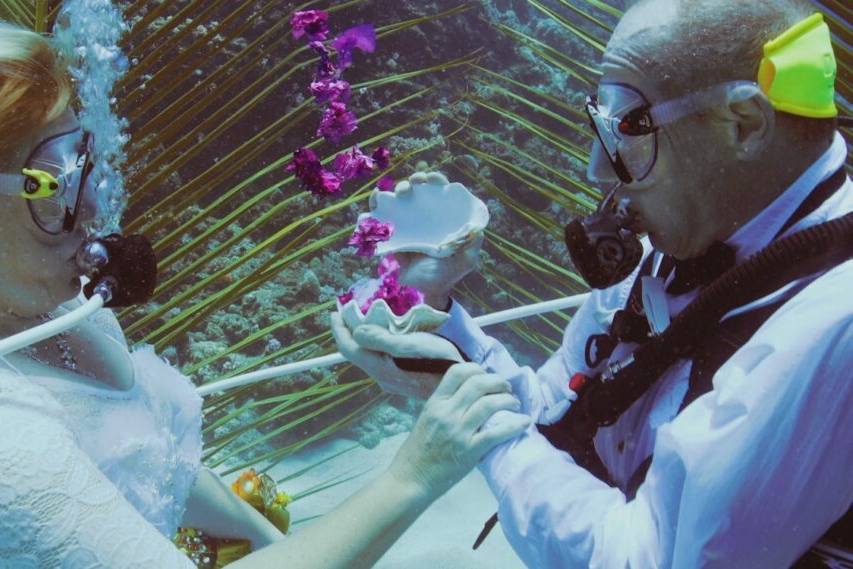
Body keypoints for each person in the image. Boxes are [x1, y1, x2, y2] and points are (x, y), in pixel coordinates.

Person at [0, 9, 530, 568]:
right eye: (54, 188)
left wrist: (267, 538)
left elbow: (139, 455)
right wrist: (410, 476)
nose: (95, 215)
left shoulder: (23, 304)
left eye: (85, 168)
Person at [332, 0, 853, 567]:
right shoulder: (674, 245)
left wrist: (473, 413)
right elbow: (556, 413)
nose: (597, 169)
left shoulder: (832, 323)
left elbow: (644, 555)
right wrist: (438, 323)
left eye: (631, 127)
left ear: (745, 125)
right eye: (602, 126)